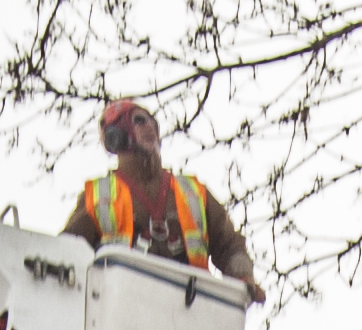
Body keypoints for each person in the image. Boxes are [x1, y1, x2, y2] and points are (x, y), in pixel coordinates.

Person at [65, 96, 258, 292]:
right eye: (139, 121)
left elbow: (229, 245)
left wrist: (243, 277)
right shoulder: (99, 197)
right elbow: (66, 254)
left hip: (191, 309)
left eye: (152, 122)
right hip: (124, 308)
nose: (150, 127)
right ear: (116, 136)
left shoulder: (192, 192)